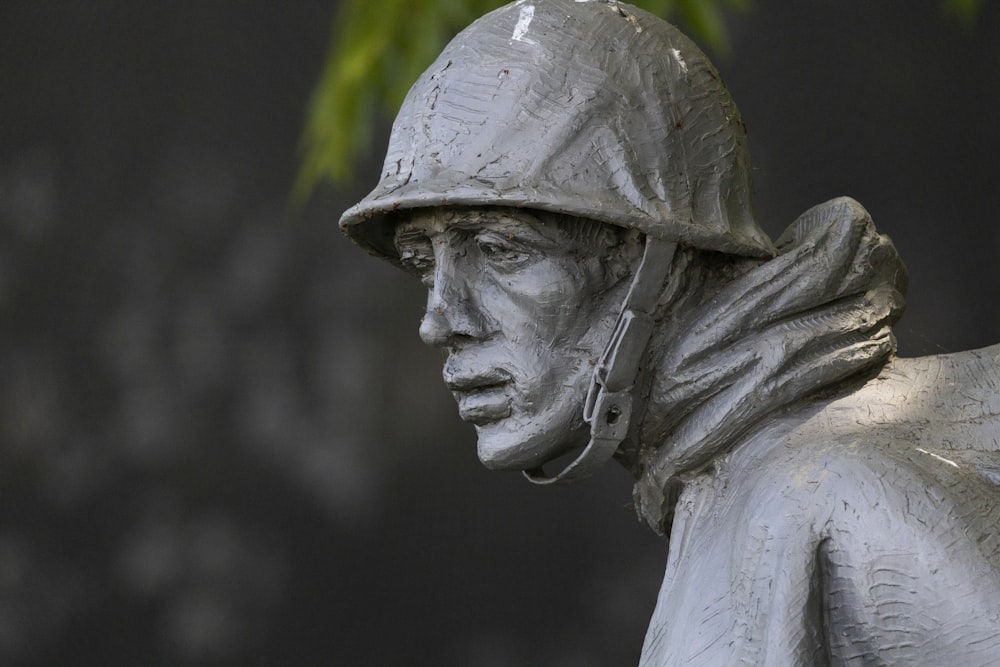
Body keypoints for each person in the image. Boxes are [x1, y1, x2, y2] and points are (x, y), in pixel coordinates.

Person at [339, 1, 1000, 664]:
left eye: (502, 250)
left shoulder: (831, 496)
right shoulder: (742, 486)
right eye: (425, 263)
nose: (439, 319)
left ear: (658, 256)